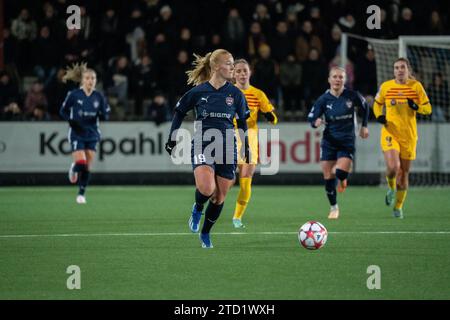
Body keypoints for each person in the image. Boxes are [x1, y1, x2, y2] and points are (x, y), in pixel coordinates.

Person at [165, 49, 250, 248]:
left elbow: (243, 122)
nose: (233, 68)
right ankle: (197, 207)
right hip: (204, 143)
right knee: (206, 188)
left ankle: (205, 233)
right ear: (216, 67)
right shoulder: (198, 92)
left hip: (228, 146)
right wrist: (172, 138)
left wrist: (246, 146)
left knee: (219, 197)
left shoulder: (236, 94)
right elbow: (179, 112)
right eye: (229, 64)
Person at [373, 58, 432, 218]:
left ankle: (398, 207)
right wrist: (379, 116)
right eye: (396, 68)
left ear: (408, 70)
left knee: (404, 173)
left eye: (402, 67)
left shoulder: (416, 86)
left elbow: (428, 109)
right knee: (393, 167)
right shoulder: (386, 86)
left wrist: (416, 107)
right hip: (390, 131)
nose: (399, 70)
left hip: (409, 135)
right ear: (394, 71)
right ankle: (391, 188)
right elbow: (377, 104)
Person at [308, 67, 369, 219]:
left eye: (340, 77)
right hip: (329, 141)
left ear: (345, 80)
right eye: (334, 77)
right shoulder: (323, 99)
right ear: (329, 80)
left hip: (347, 140)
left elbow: (365, 107)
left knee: (339, 172)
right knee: (328, 176)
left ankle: (343, 178)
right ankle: (334, 208)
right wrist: (315, 122)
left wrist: (364, 126)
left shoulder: (352, 95)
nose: (337, 80)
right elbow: (312, 117)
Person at [231, 59, 278, 228]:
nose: (242, 74)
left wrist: (271, 117)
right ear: (233, 74)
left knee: (246, 179)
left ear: (250, 72)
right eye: (238, 71)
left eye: (245, 70)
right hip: (230, 136)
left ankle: (237, 218)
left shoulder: (258, 94)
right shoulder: (228, 92)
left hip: (250, 137)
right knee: (227, 180)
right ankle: (206, 203)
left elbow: (273, 118)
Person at [59, 63, 110, 204]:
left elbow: (106, 113)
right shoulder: (74, 95)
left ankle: (81, 193)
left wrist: (103, 115)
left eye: (93, 78)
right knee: (81, 162)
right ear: (82, 80)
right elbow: (62, 111)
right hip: (77, 132)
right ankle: (74, 168)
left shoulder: (99, 96)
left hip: (92, 133)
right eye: (88, 78)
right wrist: (71, 122)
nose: (91, 80)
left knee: (87, 166)